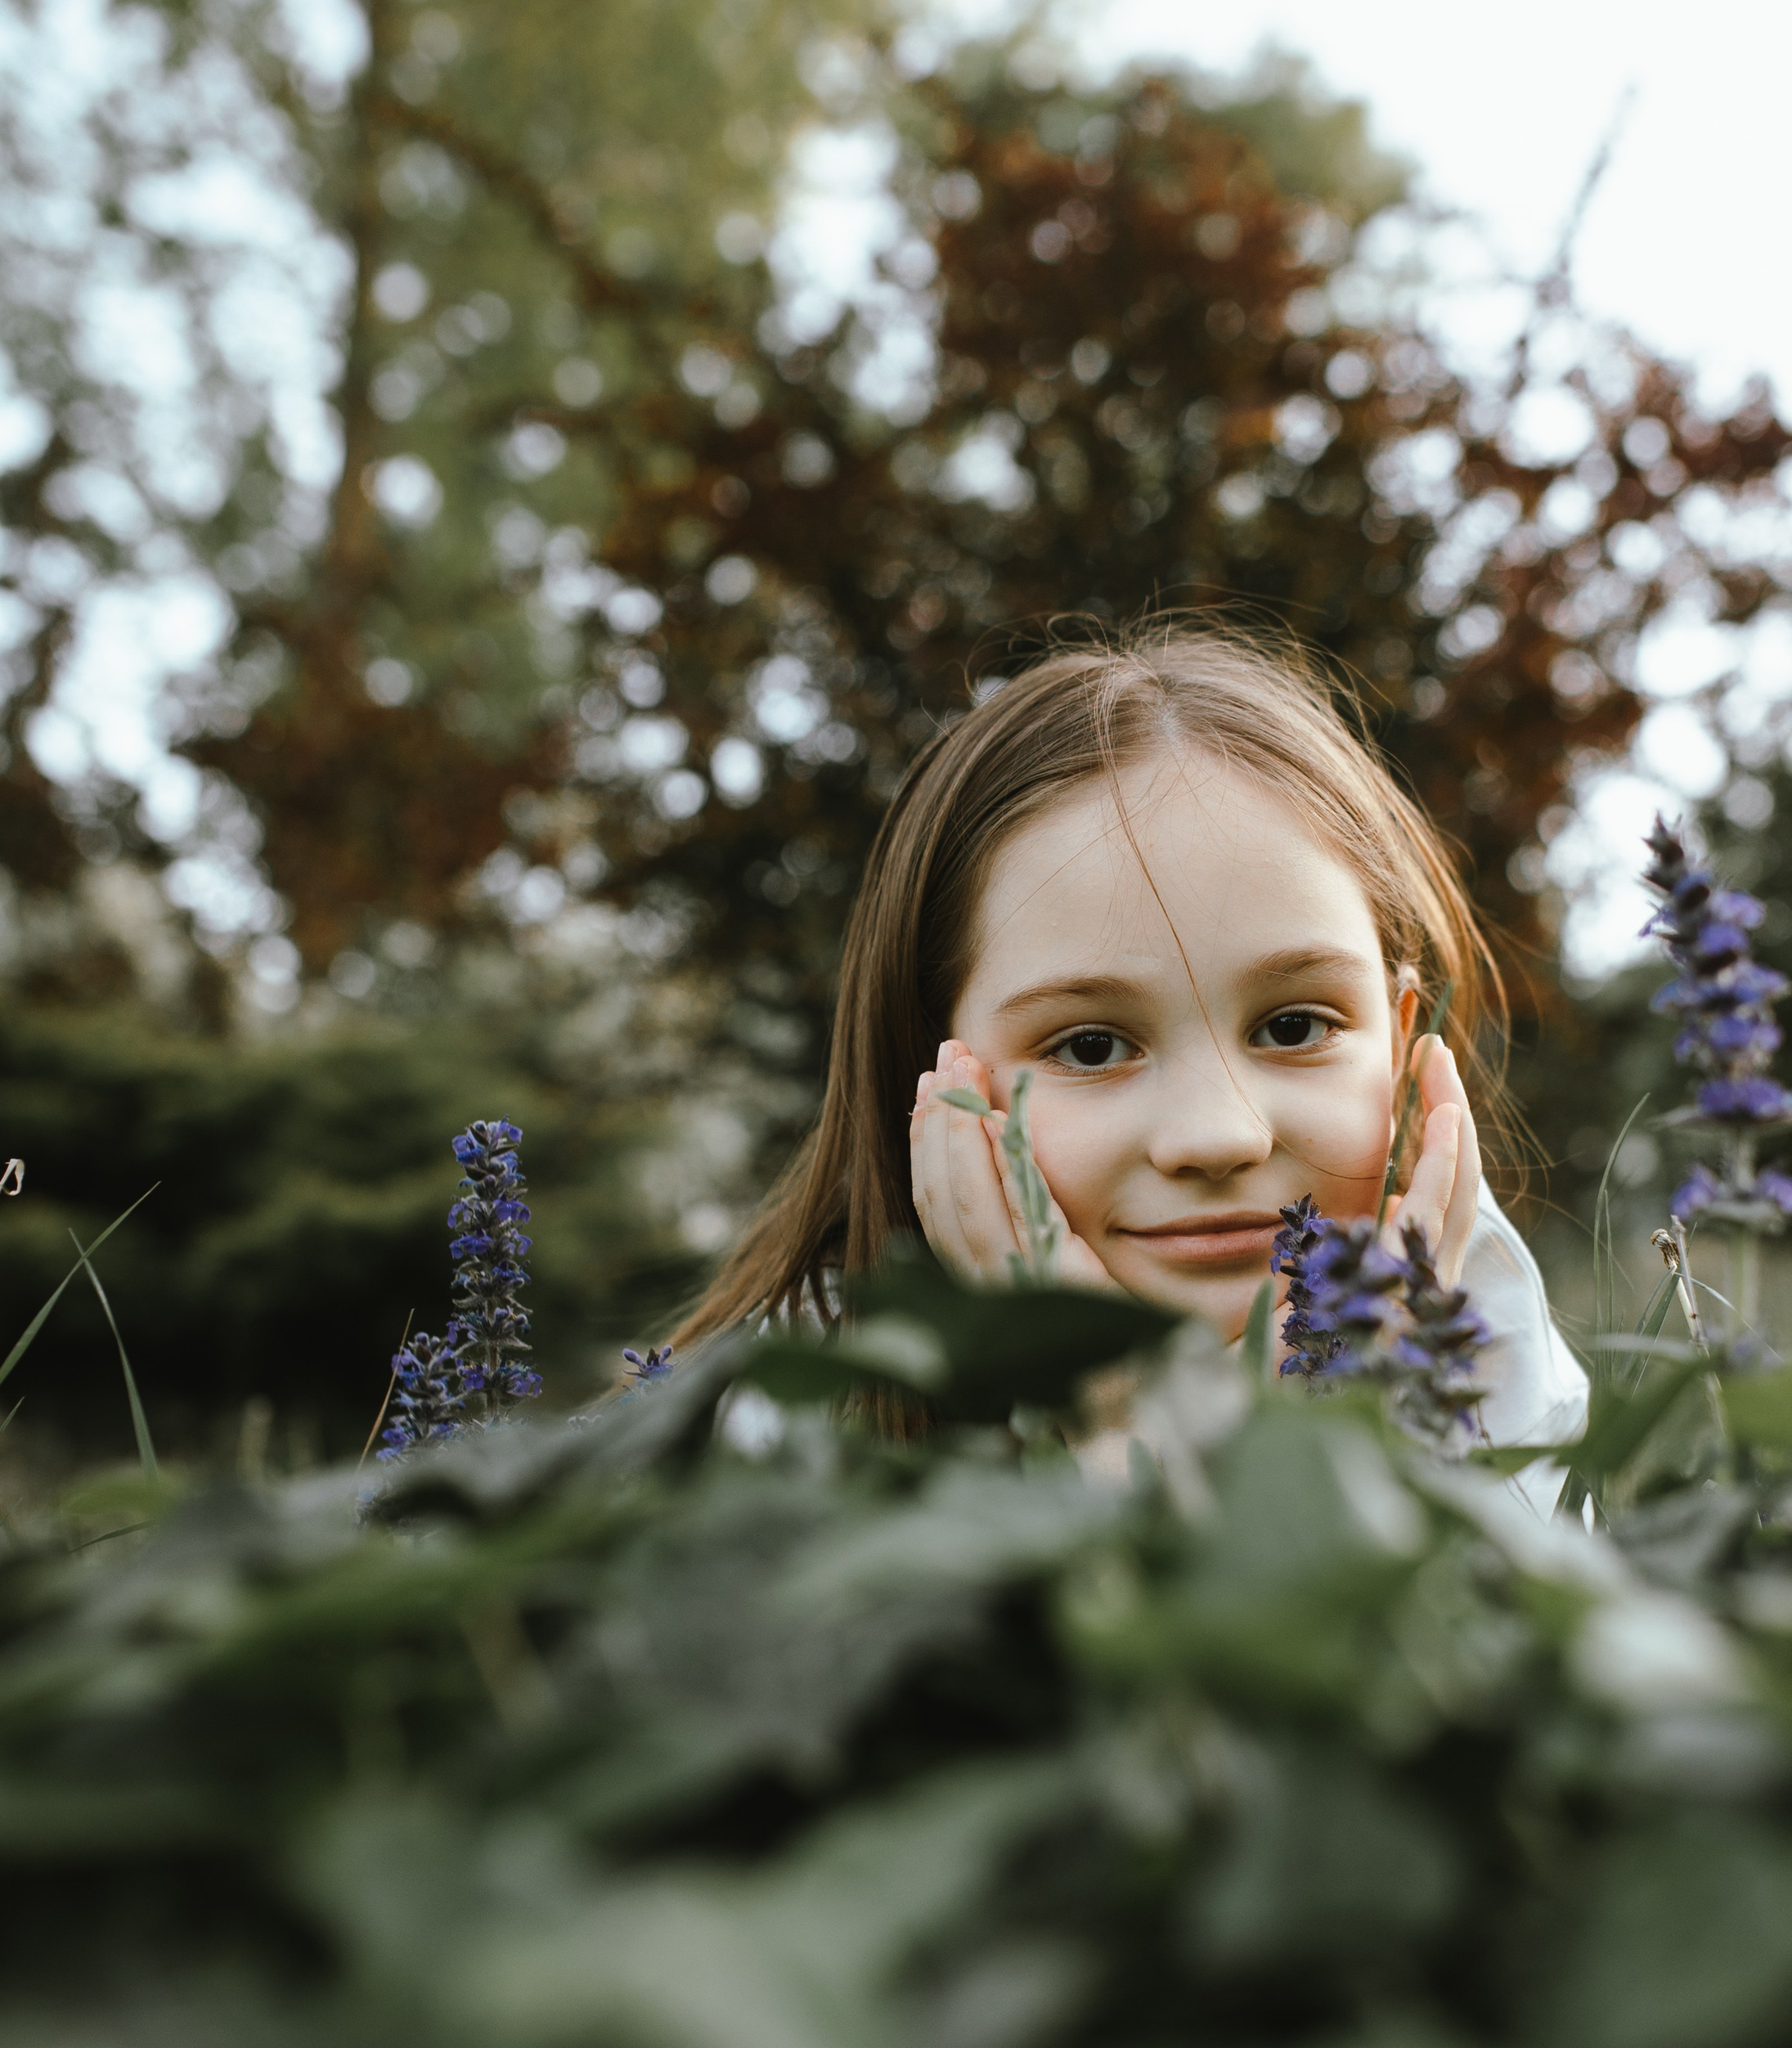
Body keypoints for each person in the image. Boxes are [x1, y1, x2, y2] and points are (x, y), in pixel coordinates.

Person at [667, 625, 1586, 1461]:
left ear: (1402, 1048)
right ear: (934, 1079)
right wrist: (1115, 1421)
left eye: (1293, 1027)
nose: (1219, 1137)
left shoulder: (1501, 1380)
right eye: (1093, 1047)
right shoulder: (769, 1457)